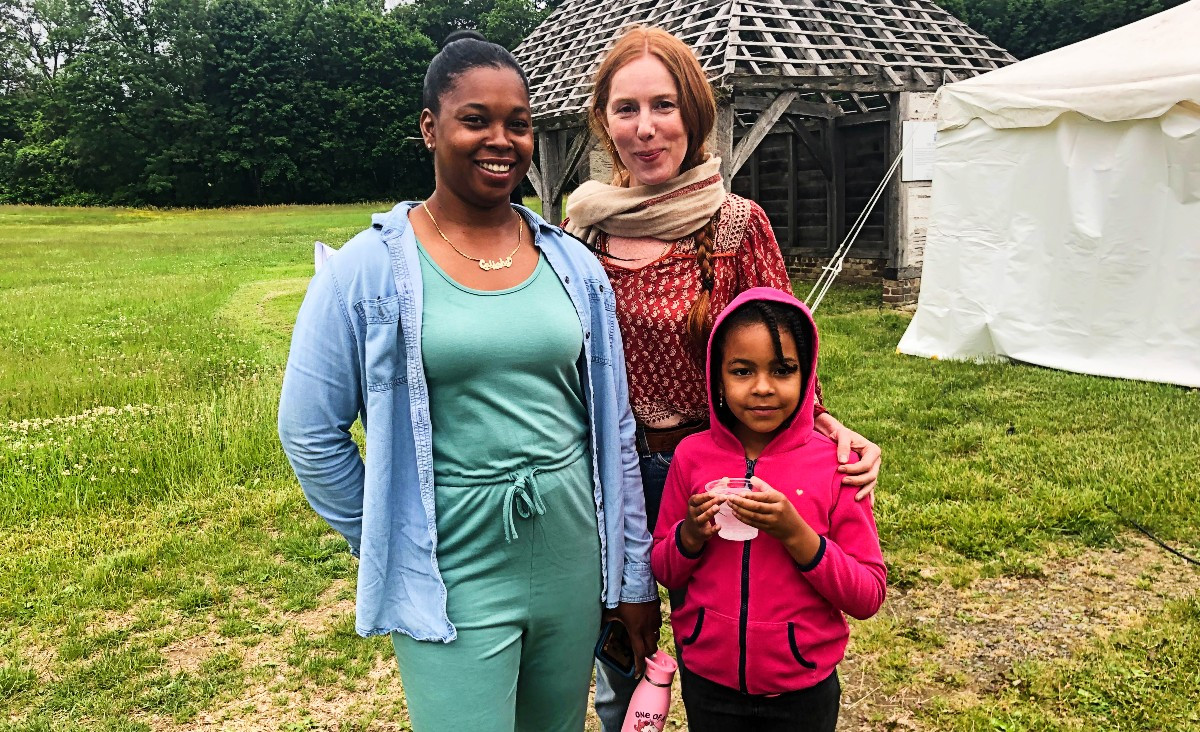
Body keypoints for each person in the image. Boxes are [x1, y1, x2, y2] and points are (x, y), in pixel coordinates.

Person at [277, 31, 659, 732]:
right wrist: (386, 534)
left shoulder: (572, 266)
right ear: (430, 128)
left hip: (569, 559)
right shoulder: (368, 270)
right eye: (475, 119)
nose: (501, 140)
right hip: (451, 571)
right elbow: (308, 430)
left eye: (518, 123)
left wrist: (632, 576)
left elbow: (614, 431)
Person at [562, 26, 883, 730]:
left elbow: (784, 347)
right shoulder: (581, 232)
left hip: (709, 466)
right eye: (626, 109)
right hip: (609, 471)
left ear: (696, 115)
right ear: (604, 121)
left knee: (738, 623)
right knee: (623, 638)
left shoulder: (738, 224)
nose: (646, 129)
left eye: (665, 106)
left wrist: (833, 434)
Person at [651, 287, 887, 731]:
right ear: (717, 377)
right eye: (742, 371)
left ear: (807, 374)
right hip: (709, 683)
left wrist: (797, 535)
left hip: (802, 690)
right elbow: (665, 569)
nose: (762, 388)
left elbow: (868, 594)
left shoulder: (838, 466)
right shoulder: (691, 456)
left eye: (783, 370)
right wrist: (691, 536)